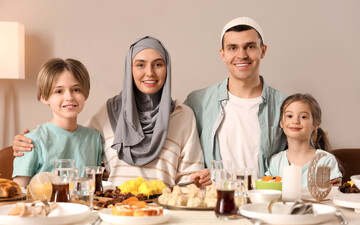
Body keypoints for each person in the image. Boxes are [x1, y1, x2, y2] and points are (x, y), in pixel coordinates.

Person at [13, 36, 211, 188]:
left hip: (162, 213)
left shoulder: (183, 115)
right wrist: (26, 142)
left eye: (158, 64)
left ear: (167, 69)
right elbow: (73, 139)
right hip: (113, 212)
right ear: (129, 70)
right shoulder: (109, 112)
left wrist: (197, 181)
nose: (149, 72)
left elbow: (190, 179)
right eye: (140, 64)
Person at [184, 17, 287, 179]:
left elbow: (304, 157)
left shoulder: (285, 105)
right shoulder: (197, 102)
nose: (242, 55)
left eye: (250, 47)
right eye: (233, 48)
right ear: (222, 54)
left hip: (267, 201)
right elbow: (183, 157)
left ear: (263, 50)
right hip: (216, 201)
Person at [12, 58, 103, 187]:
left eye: (76, 90)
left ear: (86, 94)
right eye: (59, 91)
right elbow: (19, 192)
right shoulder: (30, 141)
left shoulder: (94, 138)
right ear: (44, 97)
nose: (69, 97)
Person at [265, 93, 342, 187]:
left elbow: (329, 196)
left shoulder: (325, 160)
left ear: (315, 124)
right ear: (281, 122)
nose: (295, 121)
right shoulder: (276, 161)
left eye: (303, 117)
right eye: (289, 116)